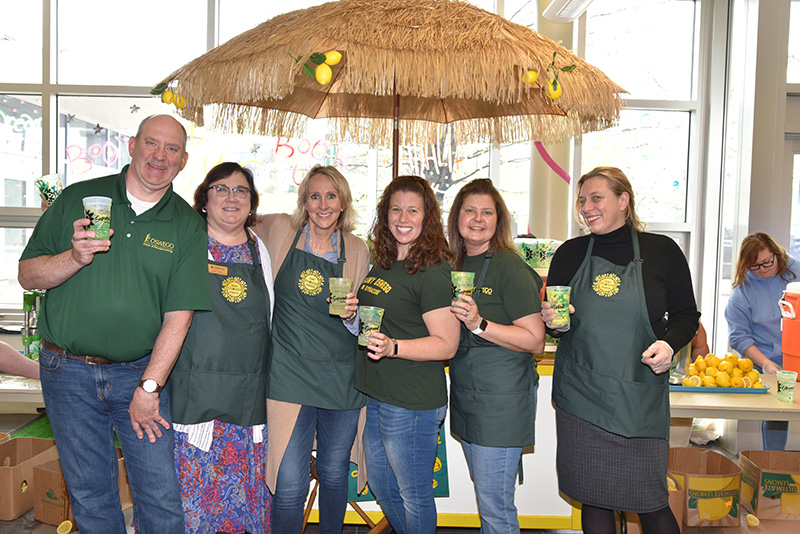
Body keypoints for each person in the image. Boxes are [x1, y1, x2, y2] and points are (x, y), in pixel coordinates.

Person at [18, 114, 211, 534]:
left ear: (183, 161)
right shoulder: (78, 199)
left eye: (172, 149)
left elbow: (179, 320)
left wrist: (149, 388)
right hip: (66, 371)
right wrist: (73, 257)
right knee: (90, 494)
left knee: (159, 494)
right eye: (151, 143)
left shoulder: (187, 226)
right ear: (132, 145)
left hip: (137, 376)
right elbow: (27, 276)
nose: (159, 156)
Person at [543, 167, 699, 534]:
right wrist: (556, 323)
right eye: (582, 200)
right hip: (582, 395)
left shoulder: (662, 252)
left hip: (637, 397)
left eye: (596, 198)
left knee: (651, 503)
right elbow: (557, 320)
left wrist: (668, 344)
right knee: (593, 497)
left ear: (623, 200)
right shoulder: (569, 253)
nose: (587, 207)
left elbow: (686, 316)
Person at [252, 165, 370, 533]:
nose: (322, 204)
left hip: (340, 376)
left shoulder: (356, 248)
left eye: (331, 196)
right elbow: (231, 220)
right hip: (288, 374)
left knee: (334, 473)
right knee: (290, 484)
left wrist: (353, 317)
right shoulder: (280, 230)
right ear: (304, 201)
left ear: (343, 202)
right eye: (314, 196)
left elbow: (365, 322)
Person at [167, 162, 274, 533]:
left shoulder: (259, 250)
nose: (232, 197)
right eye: (221, 188)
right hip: (195, 390)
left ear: (252, 202)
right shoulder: (186, 243)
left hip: (248, 395)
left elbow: (271, 319)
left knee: (243, 501)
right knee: (194, 498)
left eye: (241, 190)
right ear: (204, 198)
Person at [354, 175, 460, 534]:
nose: (403, 218)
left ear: (427, 216)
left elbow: (447, 343)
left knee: (413, 494)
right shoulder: (383, 261)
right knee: (383, 486)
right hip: (379, 394)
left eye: (413, 210)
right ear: (385, 215)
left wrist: (394, 347)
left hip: (412, 403)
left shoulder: (432, 269)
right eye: (396, 209)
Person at [447, 179, 545, 534]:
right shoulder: (453, 263)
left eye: (487, 212)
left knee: (495, 508)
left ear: (498, 219)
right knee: (487, 499)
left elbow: (535, 340)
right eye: (470, 210)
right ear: (456, 217)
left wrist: (479, 323)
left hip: (501, 405)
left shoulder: (510, 268)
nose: (477, 218)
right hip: (467, 398)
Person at [725, 232, 798, 451]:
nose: (764, 269)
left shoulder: (796, 270)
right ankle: (773, 469)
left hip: (797, 353)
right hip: (768, 360)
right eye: (756, 266)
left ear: (777, 254)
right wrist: (765, 363)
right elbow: (739, 337)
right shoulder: (742, 292)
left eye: (768, 262)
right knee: (777, 415)